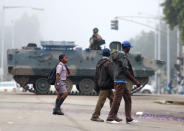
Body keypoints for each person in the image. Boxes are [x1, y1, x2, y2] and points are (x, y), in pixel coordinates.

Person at [106, 41, 141, 124]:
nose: (130, 49)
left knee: (128, 99)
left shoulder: (120, 55)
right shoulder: (122, 56)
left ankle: (129, 118)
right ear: (126, 47)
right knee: (117, 100)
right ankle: (110, 118)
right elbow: (125, 70)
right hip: (120, 81)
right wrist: (135, 81)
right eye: (129, 47)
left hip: (121, 80)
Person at [91, 48, 122, 122]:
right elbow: (112, 74)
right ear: (109, 55)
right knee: (101, 101)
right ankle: (95, 116)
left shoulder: (99, 62)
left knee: (113, 99)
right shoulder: (108, 63)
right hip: (106, 85)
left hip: (102, 84)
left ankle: (113, 115)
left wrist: (96, 85)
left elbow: (96, 75)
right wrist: (116, 82)